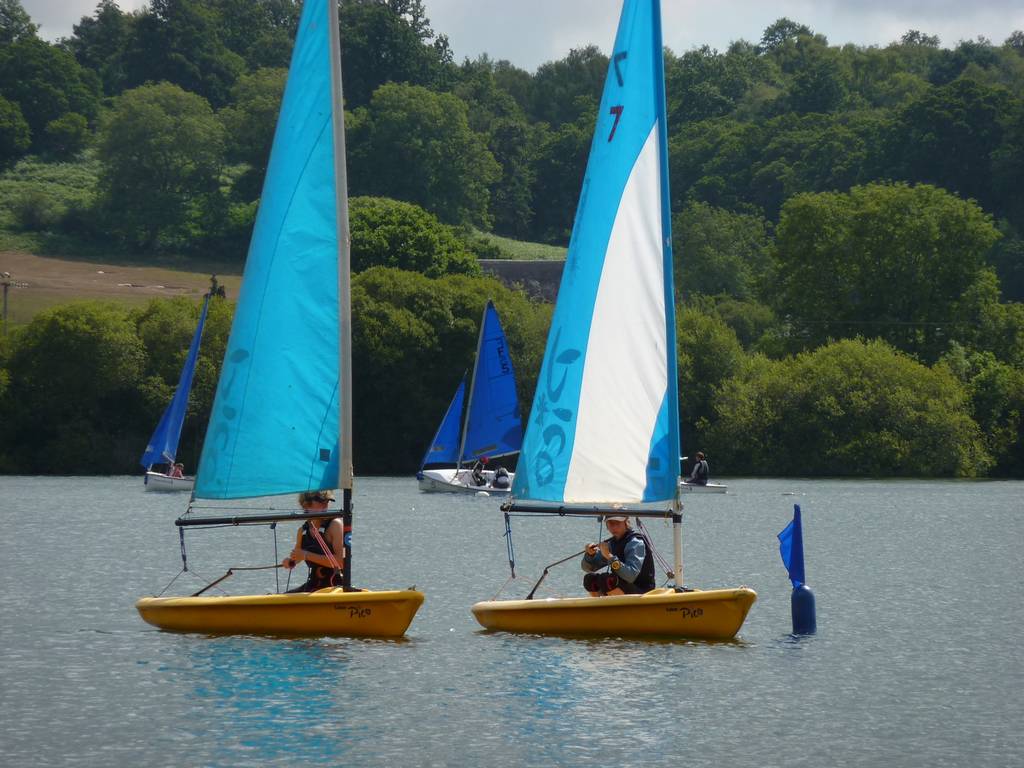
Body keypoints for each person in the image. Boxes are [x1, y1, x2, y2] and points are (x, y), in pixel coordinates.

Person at [281, 490, 345, 592]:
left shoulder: (335, 525)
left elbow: (340, 562)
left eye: (327, 502)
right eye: (321, 502)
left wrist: (306, 555)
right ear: (306, 505)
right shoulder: (302, 531)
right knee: (279, 600)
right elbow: (297, 557)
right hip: (314, 585)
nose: (325, 506)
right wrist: (290, 562)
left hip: (335, 587)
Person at [581, 515, 656, 596]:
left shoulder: (636, 542)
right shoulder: (611, 544)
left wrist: (609, 556)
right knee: (589, 579)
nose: (614, 527)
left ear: (625, 522)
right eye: (610, 523)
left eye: (617, 522)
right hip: (623, 587)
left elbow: (630, 576)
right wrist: (589, 555)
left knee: (608, 581)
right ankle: (599, 607)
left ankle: (620, 607)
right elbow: (588, 568)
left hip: (643, 591)